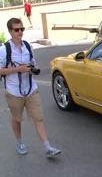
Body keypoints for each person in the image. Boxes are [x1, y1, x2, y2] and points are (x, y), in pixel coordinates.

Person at [0, 17, 60, 158]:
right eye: (17, 30)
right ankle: (20, 143)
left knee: (38, 117)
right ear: (10, 31)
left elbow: (33, 63)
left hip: (31, 89)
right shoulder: (4, 50)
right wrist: (18, 69)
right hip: (14, 90)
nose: (20, 32)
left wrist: (33, 69)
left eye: (22, 29)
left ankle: (48, 147)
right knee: (17, 118)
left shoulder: (27, 46)